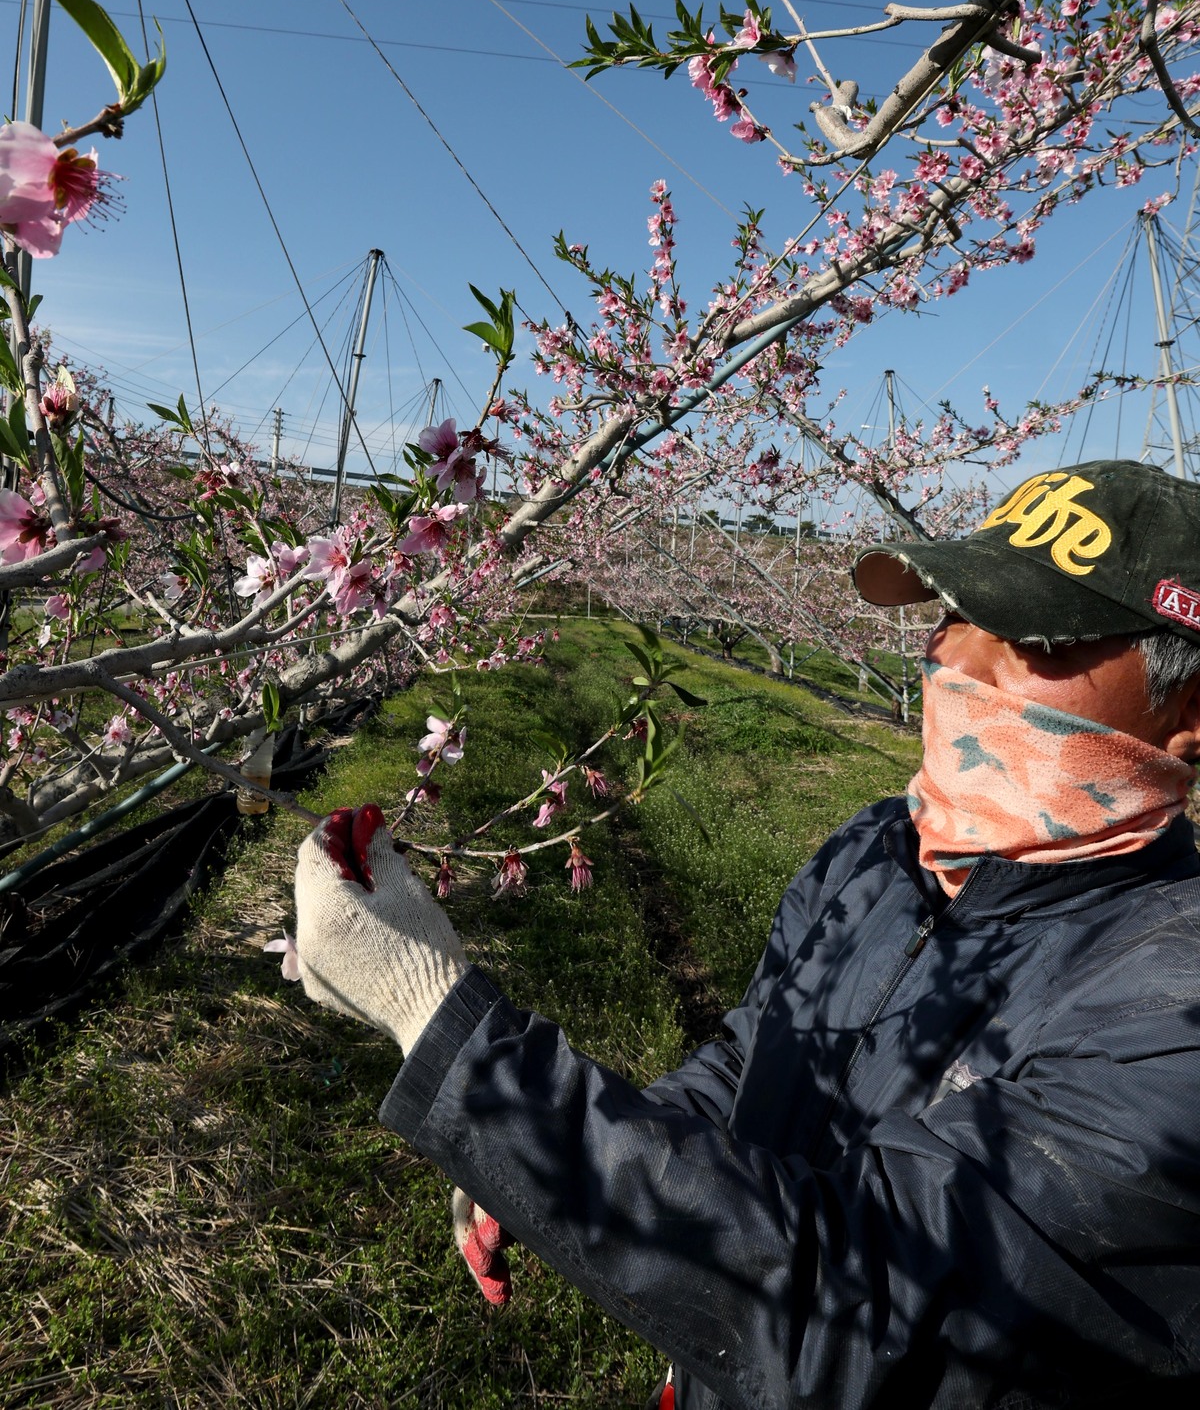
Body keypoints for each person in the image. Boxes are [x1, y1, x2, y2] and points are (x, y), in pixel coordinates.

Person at [286, 459, 1200, 1408]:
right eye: (956, 612)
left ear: (1189, 710)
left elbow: (865, 1306)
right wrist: (568, 1150)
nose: (957, 661)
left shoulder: (1172, 1010)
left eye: (1038, 638)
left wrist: (442, 1027)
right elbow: (757, 1052)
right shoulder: (882, 848)